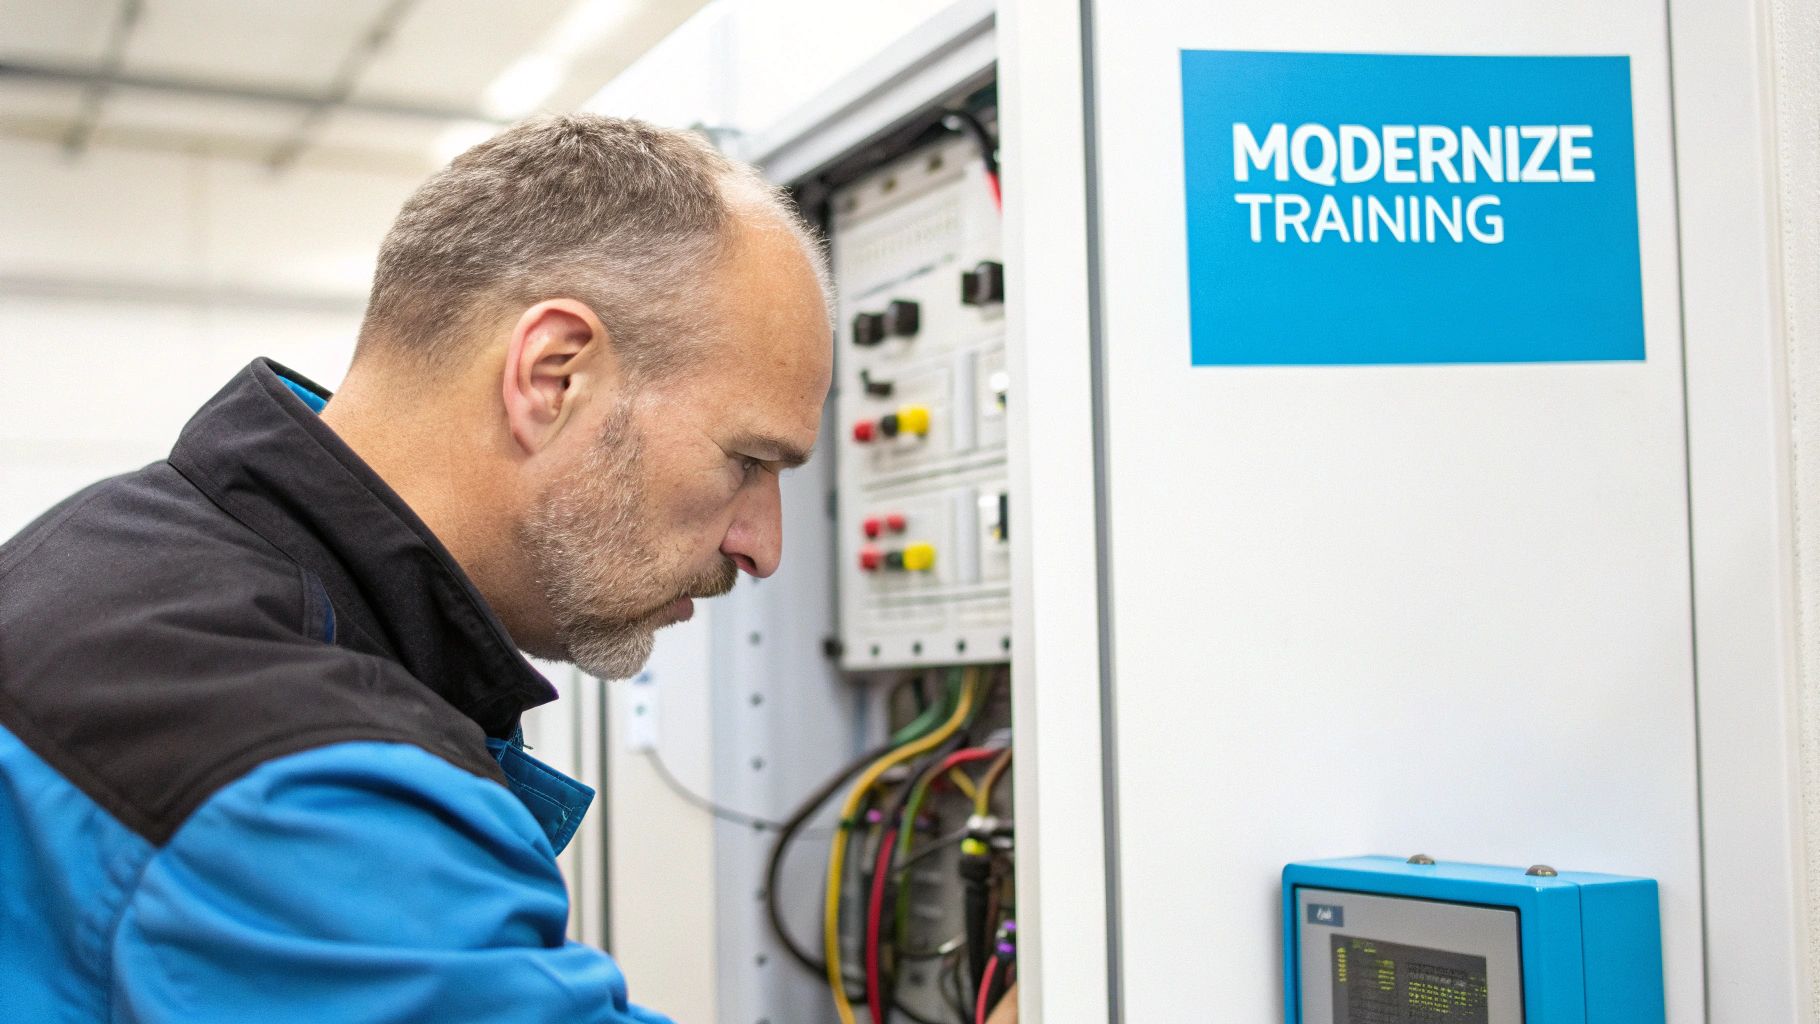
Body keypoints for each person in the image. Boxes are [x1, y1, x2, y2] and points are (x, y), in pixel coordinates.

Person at [0, 115, 832, 1022]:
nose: (763, 546)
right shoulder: (304, 778)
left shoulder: (112, 552)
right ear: (554, 375)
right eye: (748, 460)